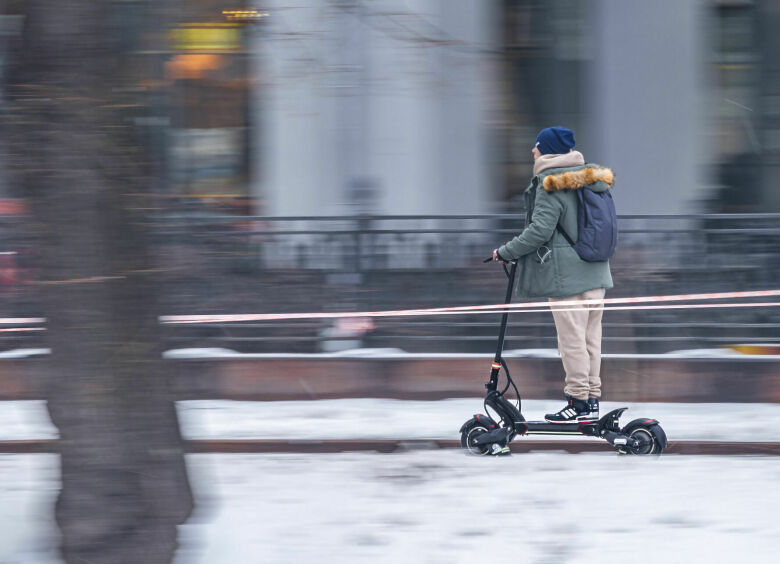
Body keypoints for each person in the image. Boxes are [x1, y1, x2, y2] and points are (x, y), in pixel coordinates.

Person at [492, 126, 614, 423]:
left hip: (567, 279)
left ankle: (577, 401)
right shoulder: (591, 181)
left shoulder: (551, 184)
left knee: (571, 342)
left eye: (536, 146)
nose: (533, 151)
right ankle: (591, 400)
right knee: (590, 341)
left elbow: (539, 231)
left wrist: (506, 251)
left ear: (548, 151)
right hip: (596, 272)